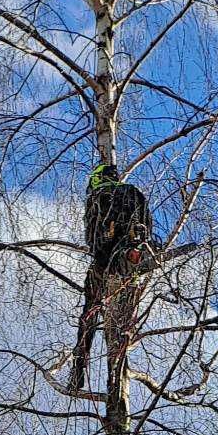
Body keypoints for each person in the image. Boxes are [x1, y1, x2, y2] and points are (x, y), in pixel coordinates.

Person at [69, 157, 158, 391]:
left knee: (89, 314)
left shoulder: (98, 197)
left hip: (106, 260)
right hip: (132, 257)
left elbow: (93, 237)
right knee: (121, 325)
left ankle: (78, 370)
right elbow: (148, 223)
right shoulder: (134, 193)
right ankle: (116, 379)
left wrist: (101, 250)